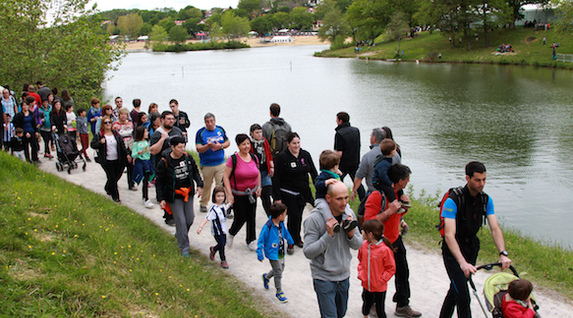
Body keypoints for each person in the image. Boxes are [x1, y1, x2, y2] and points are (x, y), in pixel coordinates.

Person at [439, 161, 511, 318]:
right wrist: (462, 262)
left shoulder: (486, 200)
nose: (482, 184)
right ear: (467, 178)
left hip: (471, 248)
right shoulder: (453, 200)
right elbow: (449, 235)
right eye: (478, 180)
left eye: (484, 179)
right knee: (463, 297)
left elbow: (495, 228)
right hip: (453, 251)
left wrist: (503, 252)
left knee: (456, 290)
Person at [364, 163, 422, 318]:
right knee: (377, 276)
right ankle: (371, 305)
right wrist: (388, 212)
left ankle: (402, 304)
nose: (409, 181)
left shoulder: (397, 194)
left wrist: (402, 220)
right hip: (379, 243)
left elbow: (396, 214)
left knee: (402, 272)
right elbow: (368, 222)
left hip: (395, 240)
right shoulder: (377, 196)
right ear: (401, 180)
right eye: (407, 179)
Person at [303, 181, 362, 318]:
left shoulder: (349, 214)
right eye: (339, 199)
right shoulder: (314, 219)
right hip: (324, 278)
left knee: (340, 314)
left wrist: (351, 234)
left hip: (344, 277)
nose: (344, 203)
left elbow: (358, 244)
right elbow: (308, 251)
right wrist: (328, 236)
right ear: (328, 198)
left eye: (346, 198)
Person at [155, 136, 203, 257]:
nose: (182, 149)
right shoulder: (164, 162)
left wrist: (199, 185)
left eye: (184, 146)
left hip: (188, 193)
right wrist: (161, 199)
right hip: (174, 196)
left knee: (189, 219)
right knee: (180, 221)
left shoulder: (187, 157)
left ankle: (180, 234)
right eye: (179, 147)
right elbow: (159, 182)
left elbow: (195, 172)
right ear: (172, 147)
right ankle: (184, 248)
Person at [272, 132, 317, 254]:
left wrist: (319, 187)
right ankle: (289, 242)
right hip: (287, 193)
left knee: (298, 216)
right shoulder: (282, 158)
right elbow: (276, 178)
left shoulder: (305, 155)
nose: (297, 146)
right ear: (288, 144)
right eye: (294, 143)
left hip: (302, 193)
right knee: (292, 216)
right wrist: (277, 197)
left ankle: (296, 238)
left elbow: (313, 172)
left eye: (298, 143)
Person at [223, 134, 261, 251]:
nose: (246, 146)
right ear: (238, 146)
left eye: (248, 143)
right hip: (237, 194)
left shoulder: (254, 157)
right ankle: (231, 233)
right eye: (243, 144)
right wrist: (229, 195)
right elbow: (225, 177)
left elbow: (258, 172)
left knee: (251, 217)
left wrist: (259, 186)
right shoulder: (233, 159)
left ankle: (251, 240)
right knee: (241, 217)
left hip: (251, 194)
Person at [358, 219, 396, 318]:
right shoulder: (363, 246)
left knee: (380, 310)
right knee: (365, 307)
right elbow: (360, 260)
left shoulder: (384, 250)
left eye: (363, 231)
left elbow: (391, 268)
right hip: (366, 284)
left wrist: (382, 280)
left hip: (379, 287)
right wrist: (361, 273)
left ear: (370, 234)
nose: (361, 232)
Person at [257, 202, 294, 303]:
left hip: (280, 251)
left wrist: (291, 241)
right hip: (272, 253)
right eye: (285, 214)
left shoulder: (281, 224)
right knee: (278, 271)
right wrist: (260, 253)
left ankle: (266, 277)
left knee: (281, 268)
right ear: (280, 216)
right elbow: (261, 241)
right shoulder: (267, 227)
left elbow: (285, 233)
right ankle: (279, 291)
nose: (285, 215)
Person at [90, 116, 130, 202]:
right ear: (102, 125)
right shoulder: (100, 135)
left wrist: (127, 154)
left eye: (109, 122)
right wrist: (100, 143)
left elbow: (122, 145)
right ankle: (116, 197)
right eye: (105, 123)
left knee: (116, 176)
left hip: (117, 159)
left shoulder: (116, 133)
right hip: (106, 160)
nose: (108, 124)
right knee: (112, 178)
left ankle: (108, 187)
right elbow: (92, 145)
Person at [195, 113, 229, 213]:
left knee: (221, 185)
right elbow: (198, 148)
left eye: (211, 121)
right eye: (207, 122)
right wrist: (207, 146)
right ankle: (203, 203)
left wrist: (220, 146)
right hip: (207, 164)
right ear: (205, 122)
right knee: (207, 185)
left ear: (214, 121)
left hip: (220, 163)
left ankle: (222, 205)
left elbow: (227, 142)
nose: (210, 123)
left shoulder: (220, 130)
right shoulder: (200, 133)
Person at [197, 186, 231, 269]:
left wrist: (231, 203)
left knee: (223, 243)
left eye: (222, 196)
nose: (220, 198)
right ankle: (223, 260)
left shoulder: (222, 205)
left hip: (223, 230)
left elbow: (225, 207)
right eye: (218, 196)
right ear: (214, 197)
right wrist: (200, 227)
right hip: (217, 231)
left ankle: (214, 249)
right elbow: (207, 218)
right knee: (222, 245)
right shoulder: (213, 209)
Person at [334, 111, 364, 200]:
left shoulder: (339, 133)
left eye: (336, 120)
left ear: (340, 121)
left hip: (344, 163)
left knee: (338, 180)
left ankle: (340, 197)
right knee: (357, 182)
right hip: (355, 161)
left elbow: (339, 153)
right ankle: (364, 200)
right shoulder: (356, 131)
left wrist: (335, 164)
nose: (336, 121)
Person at [351, 128, 387, 199]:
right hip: (390, 193)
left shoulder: (367, 156)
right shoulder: (395, 155)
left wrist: (354, 191)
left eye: (370, 136)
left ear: (374, 139)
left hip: (373, 193)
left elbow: (359, 177)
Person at [249, 123, 274, 215]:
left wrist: (271, 165)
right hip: (254, 175)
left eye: (260, 132)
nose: (259, 134)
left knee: (267, 196)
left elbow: (268, 154)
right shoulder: (249, 143)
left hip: (264, 172)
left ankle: (271, 218)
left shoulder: (264, 141)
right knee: (253, 198)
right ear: (251, 133)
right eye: (257, 132)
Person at [113, 108, 136, 191]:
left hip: (130, 145)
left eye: (125, 114)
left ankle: (131, 184)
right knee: (120, 166)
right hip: (121, 146)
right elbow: (117, 135)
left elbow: (132, 134)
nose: (123, 116)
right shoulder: (116, 125)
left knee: (131, 166)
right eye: (121, 114)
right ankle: (115, 181)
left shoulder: (130, 123)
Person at [131, 126, 154, 209]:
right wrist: (138, 153)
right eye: (145, 132)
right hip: (141, 162)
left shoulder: (147, 142)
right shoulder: (136, 144)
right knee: (144, 180)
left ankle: (145, 197)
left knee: (146, 180)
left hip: (147, 162)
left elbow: (149, 152)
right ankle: (146, 198)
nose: (147, 133)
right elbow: (133, 154)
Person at [13, 97, 40, 164]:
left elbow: (34, 123)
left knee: (34, 145)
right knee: (25, 146)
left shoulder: (31, 113)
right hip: (24, 131)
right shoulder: (19, 115)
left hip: (31, 130)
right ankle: (28, 159)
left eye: (26, 105)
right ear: (21, 107)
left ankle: (35, 158)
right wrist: (24, 133)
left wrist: (36, 131)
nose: (25, 107)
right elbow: (17, 125)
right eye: (24, 105)